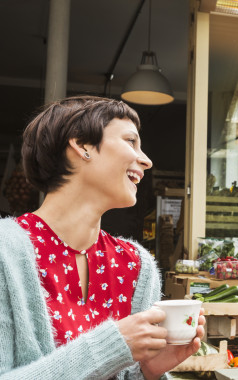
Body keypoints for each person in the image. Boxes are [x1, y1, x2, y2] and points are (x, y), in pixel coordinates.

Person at [0, 96, 205, 380]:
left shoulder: (137, 266)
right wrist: (112, 346)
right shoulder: (5, 252)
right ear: (82, 145)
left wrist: (150, 372)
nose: (146, 160)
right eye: (131, 142)